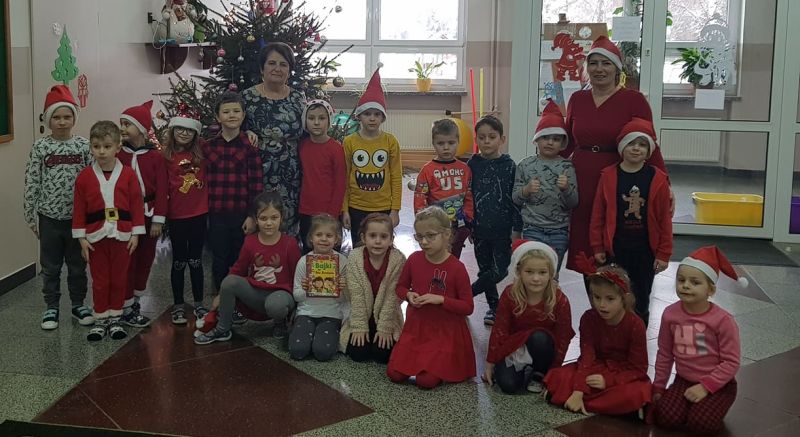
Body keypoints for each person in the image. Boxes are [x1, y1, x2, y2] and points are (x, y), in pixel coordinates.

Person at [561, 35, 670, 281]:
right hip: (582, 177)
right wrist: (542, 167)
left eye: (606, 63)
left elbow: (649, 143)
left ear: (617, 68)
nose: (599, 69)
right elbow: (567, 142)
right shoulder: (577, 99)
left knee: (616, 235)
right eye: (593, 63)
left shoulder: (634, 100)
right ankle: (595, 298)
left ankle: (624, 298)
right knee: (587, 246)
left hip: (620, 178)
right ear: (587, 68)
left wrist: (664, 182)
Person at [24, 85, 94, 330]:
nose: (62, 122)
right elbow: (32, 181)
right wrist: (30, 216)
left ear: (74, 118)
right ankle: (51, 307)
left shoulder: (84, 146)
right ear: (48, 120)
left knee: (77, 266)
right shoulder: (40, 148)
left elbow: (94, 182)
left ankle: (78, 304)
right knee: (51, 267)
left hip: (78, 220)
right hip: (49, 218)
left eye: (67, 117)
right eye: (56, 117)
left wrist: (93, 216)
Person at [590, 117, 672, 325]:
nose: (636, 148)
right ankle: (614, 338)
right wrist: (597, 246)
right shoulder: (608, 176)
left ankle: (638, 336)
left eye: (642, 144)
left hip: (645, 252)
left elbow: (664, 219)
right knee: (614, 294)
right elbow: (598, 214)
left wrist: (663, 253)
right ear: (622, 147)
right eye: (631, 143)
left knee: (641, 298)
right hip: (616, 250)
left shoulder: (657, 178)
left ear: (649, 150)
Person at [652, 246, 742, 433]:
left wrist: (706, 387)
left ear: (711, 289)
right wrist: (659, 387)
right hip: (684, 380)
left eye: (695, 282)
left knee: (700, 424)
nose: (685, 285)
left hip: (719, 385)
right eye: (681, 280)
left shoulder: (723, 321)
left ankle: (714, 404)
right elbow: (665, 354)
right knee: (665, 417)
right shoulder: (670, 314)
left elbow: (731, 362)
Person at [544, 263, 651, 416]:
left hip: (622, 374)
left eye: (610, 299)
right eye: (597, 297)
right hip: (593, 367)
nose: (602, 305)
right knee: (558, 376)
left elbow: (639, 368)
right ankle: (617, 408)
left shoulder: (635, 324)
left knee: (638, 392)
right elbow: (587, 358)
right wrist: (579, 390)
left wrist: (608, 381)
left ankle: (569, 398)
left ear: (624, 298)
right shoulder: (588, 318)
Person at [387, 206, 475, 389]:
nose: (424, 242)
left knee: (425, 381)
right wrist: (408, 295)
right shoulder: (414, 259)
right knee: (394, 374)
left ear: (447, 235)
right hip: (417, 327)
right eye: (419, 237)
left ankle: (440, 364)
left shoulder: (457, 268)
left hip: (444, 331)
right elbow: (400, 288)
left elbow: (468, 307)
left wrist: (441, 300)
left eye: (430, 236)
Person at [195, 191, 300, 345]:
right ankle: (223, 328)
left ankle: (280, 322)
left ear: (281, 218)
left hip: (280, 295)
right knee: (229, 282)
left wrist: (299, 308)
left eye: (274, 218)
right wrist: (221, 294)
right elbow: (238, 269)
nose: (269, 223)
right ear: (256, 220)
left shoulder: (290, 244)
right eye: (263, 218)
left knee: (275, 304)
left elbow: (298, 275)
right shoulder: (250, 242)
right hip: (256, 293)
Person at [72, 121, 145, 341]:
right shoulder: (84, 177)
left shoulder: (128, 175)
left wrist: (136, 234)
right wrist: (81, 238)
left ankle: (115, 318)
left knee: (119, 279)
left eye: (106, 146)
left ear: (117, 147)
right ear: (91, 148)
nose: (101, 151)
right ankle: (101, 318)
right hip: (95, 237)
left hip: (122, 235)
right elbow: (79, 209)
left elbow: (136, 205)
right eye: (96, 147)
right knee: (100, 280)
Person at [482, 240, 574, 395]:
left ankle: (540, 372)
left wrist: (554, 372)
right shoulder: (510, 294)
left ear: (551, 274)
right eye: (529, 272)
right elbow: (499, 329)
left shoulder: (559, 299)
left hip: (544, 346)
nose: (536, 278)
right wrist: (490, 362)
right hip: (515, 344)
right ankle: (522, 366)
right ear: (519, 272)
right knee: (508, 385)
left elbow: (563, 337)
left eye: (542, 272)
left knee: (539, 337)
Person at [242, 42, 306, 236]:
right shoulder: (247, 97)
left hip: (292, 174)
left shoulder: (298, 98)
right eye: (272, 63)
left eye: (283, 64)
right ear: (262, 68)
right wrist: (246, 133)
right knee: (261, 222)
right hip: (258, 172)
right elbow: (234, 128)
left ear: (289, 70)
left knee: (287, 225)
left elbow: (308, 131)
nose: (277, 68)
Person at [203, 92, 264, 294]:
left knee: (240, 258)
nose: (231, 115)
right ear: (218, 116)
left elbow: (256, 184)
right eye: (226, 112)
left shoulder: (250, 146)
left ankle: (240, 298)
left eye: (236, 111)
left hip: (241, 214)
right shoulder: (208, 147)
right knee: (219, 257)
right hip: (216, 213)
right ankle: (220, 298)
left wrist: (252, 215)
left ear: (243, 115)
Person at [118, 100, 168, 329]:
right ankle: (125, 305)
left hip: (149, 216)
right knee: (127, 260)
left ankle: (136, 299)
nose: (122, 128)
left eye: (127, 124)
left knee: (145, 259)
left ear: (141, 128)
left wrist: (158, 219)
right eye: (121, 123)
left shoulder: (156, 157)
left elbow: (163, 190)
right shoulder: (118, 154)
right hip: (125, 217)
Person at [468, 115, 522, 325]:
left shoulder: (509, 165)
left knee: (500, 270)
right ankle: (494, 307)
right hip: (479, 228)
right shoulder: (473, 164)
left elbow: (515, 198)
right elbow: (467, 195)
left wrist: (516, 228)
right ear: (476, 139)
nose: (487, 141)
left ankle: (467, 294)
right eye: (482, 137)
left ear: (502, 139)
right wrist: (469, 225)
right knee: (485, 269)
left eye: (492, 137)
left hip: (503, 229)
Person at [514, 100, 578, 276]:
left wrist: (566, 189)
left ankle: (551, 295)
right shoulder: (525, 165)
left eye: (556, 139)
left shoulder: (567, 167)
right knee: (531, 273)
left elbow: (574, 202)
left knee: (551, 275)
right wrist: (526, 190)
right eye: (545, 137)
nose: (550, 142)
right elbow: (515, 198)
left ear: (563, 143)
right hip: (532, 228)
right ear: (536, 139)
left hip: (559, 231)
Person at [342, 68, 402, 246]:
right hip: (356, 207)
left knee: (382, 248)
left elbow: (396, 177)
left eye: (377, 114)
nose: (372, 118)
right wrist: (344, 210)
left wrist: (395, 210)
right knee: (359, 249)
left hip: (383, 208)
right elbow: (344, 177)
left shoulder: (390, 141)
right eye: (367, 114)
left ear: (383, 117)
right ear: (359, 116)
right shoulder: (349, 142)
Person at [340, 213, 406, 363]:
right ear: (363, 238)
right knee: (358, 353)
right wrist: (359, 327)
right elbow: (356, 295)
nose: (378, 241)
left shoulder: (398, 260)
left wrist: (385, 328)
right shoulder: (354, 257)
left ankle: (380, 333)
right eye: (372, 236)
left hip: (387, 316)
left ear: (391, 239)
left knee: (382, 355)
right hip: (361, 314)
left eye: (383, 237)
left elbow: (393, 298)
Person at [162, 114, 208, 325]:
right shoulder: (165, 156)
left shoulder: (202, 151)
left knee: (196, 261)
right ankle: (178, 305)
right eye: (179, 129)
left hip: (199, 215)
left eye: (189, 130)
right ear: (172, 131)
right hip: (177, 217)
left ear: (195, 134)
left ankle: (199, 304)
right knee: (179, 262)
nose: (184, 133)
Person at [290, 214, 348, 361]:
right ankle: (298, 327)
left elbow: (346, 300)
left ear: (336, 239)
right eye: (319, 235)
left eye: (329, 235)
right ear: (311, 238)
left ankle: (320, 336)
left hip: (332, 314)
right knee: (298, 351)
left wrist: (341, 289)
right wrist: (306, 289)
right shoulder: (304, 261)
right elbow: (296, 296)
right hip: (306, 312)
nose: (323, 239)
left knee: (323, 353)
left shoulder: (342, 261)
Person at [413, 119, 473, 259]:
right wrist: (422, 220)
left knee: (454, 258)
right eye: (440, 143)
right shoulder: (427, 170)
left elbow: (469, 195)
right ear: (433, 143)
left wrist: (469, 218)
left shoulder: (465, 169)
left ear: (458, 142)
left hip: (458, 225)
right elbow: (420, 195)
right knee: (435, 256)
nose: (446, 148)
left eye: (451, 143)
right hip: (435, 225)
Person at [298, 99, 346, 253]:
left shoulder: (336, 149)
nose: (316, 122)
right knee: (309, 250)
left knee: (331, 252)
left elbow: (340, 183)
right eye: (311, 118)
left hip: (329, 212)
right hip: (306, 210)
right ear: (305, 121)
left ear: (329, 120)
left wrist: (333, 213)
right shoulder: (302, 146)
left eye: (322, 118)